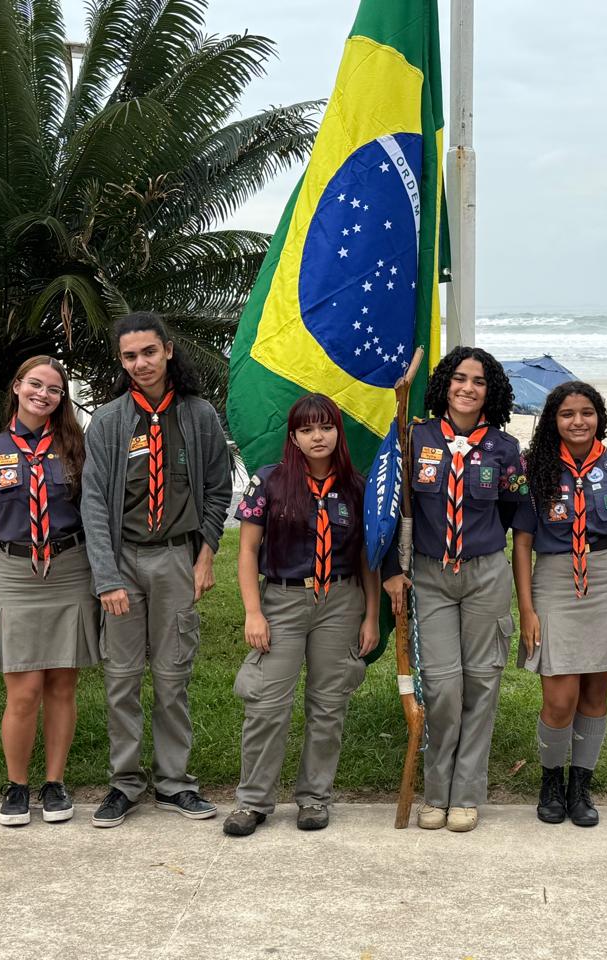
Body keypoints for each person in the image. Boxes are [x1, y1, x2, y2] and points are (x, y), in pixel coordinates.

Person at [82, 312, 233, 828]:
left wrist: (206, 554)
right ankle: (123, 783)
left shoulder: (198, 414)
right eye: (129, 356)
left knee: (173, 678)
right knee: (121, 679)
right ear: (121, 362)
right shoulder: (107, 422)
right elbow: (94, 505)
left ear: (168, 351)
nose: (140, 363)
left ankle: (174, 783)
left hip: (175, 558)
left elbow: (217, 489)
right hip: (123, 558)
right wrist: (106, 577)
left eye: (149, 352)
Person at [222, 395, 380, 836]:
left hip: (340, 601)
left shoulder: (356, 486)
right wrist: (254, 612)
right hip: (284, 601)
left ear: (337, 432)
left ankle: (314, 797)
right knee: (267, 705)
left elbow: (369, 559)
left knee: (329, 706)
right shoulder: (270, 482)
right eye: (308, 429)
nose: (318, 436)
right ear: (293, 436)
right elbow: (248, 551)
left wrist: (370, 615)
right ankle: (252, 801)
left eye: (326, 427)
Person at [382, 346, 524, 832]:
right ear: (445, 385)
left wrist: (480, 549)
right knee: (443, 686)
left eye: (479, 381)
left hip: (485, 574)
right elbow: (391, 510)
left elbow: (509, 512)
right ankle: (436, 790)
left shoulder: (504, 449)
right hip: (430, 575)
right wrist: (390, 569)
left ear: (491, 391)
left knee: (482, 682)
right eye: (460, 379)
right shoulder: (413, 436)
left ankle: (466, 793)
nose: (468, 388)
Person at [0, 357, 99, 827]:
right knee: (23, 690)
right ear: (17, 386)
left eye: (55, 389)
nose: (43, 394)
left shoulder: (76, 448)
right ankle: (17, 785)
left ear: (62, 399)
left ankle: (55, 784)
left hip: (69, 570)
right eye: (35, 385)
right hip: (15, 574)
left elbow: (94, 513)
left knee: (62, 686)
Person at [512, 382, 607, 828]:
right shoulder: (533, 469)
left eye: (586, 412)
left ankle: (580, 784)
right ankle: (550, 778)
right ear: (553, 420)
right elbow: (522, 543)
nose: (578, 421)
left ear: (599, 416)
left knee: (595, 693)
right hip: (554, 579)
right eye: (567, 413)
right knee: (560, 696)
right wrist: (527, 609)